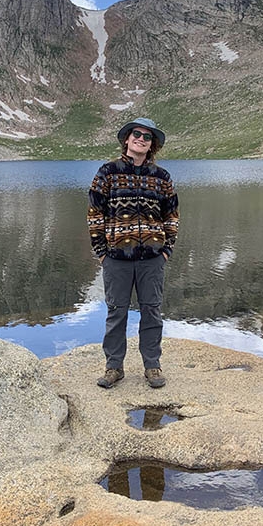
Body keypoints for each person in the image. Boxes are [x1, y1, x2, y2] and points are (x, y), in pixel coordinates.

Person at [87, 117, 179, 388]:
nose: (141, 139)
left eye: (147, 137)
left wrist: (166, 250)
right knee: (117, 312)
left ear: (152, 145)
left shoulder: (161, 178)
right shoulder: (107, 172)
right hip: (116, 259)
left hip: (152, 259)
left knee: (152, 311)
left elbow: (171, 215)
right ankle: (114, 367)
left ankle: (152, 366)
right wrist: (102, 252)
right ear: (126, 139)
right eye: (136, 134)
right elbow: (95, 214)